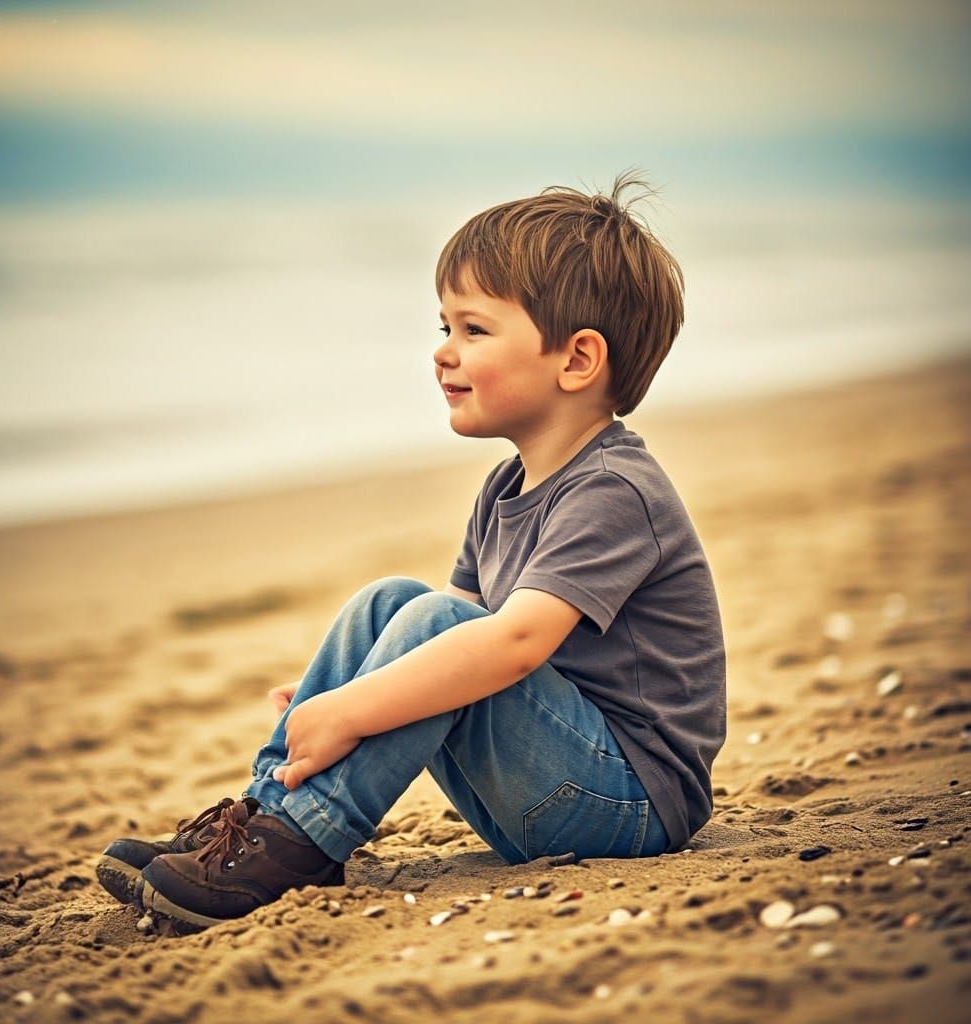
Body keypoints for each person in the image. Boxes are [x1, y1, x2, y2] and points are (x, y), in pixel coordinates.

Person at [95, 169, 727, 933]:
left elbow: (514, 645)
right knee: (390, 604)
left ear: (577, 360)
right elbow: (453, 621)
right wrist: (348, 690)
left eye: (474, 330)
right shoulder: (506, 487)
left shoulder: (614, 490)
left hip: (625, 804)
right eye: (444, 328)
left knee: (440, 627)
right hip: (555, 782)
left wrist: (355, 707)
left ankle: (303, 837)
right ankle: (272, 812)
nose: (443, 353)